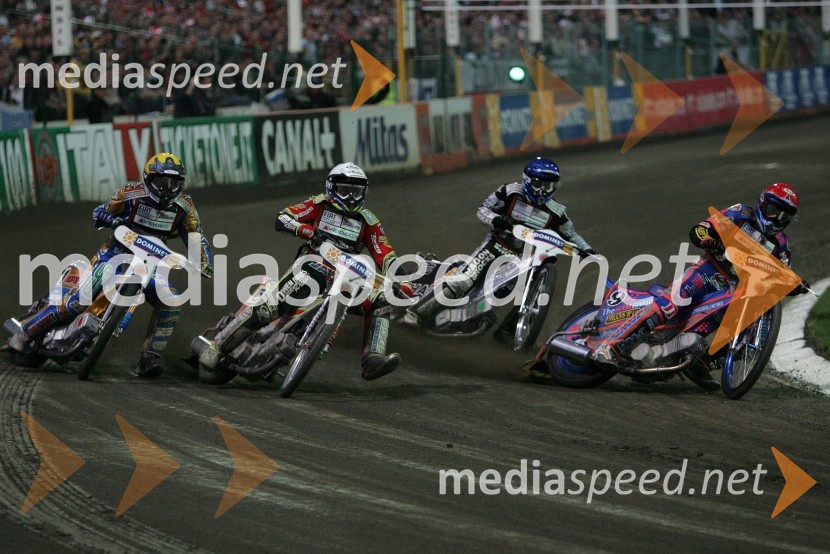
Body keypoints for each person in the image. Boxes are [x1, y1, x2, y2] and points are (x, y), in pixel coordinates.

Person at [200, 162, 414, 381]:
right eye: (344, 190)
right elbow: (283, 217)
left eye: (355, 191)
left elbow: (385, 254)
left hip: (348, 280)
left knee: (381, 301)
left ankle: (373, 359)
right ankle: (217, 348)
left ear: (364, 192)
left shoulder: (369, 222)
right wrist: (306, 231)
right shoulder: (318, 205)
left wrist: (403, 282)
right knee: (267, 310)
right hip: (312, 266)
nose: (350, 197)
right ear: (332, 188)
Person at [8, 153, 214, 378]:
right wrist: (111, 219)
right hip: (113, 257)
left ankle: (148, 358)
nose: (167, 187)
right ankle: (26, 333)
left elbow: (197, 237)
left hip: (149, 266)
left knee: (172, 300)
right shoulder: (129, 193)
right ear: (148, 178)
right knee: (75, 303)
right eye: (162, 181)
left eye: (174, 182)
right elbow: (99, 212)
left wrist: (204, 262)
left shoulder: (185, 207)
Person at [625, 183, 810, 388]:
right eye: (774, 210)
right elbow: (700, 229)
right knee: (671, 303)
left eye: (784, 216)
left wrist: (796, 284)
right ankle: (624, 336)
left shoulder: (781, 244)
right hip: (707, 272)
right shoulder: (741, 213)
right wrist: (710, 241)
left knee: (756, 328)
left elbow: (783, 274)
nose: (777, 219)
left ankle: (701, 364)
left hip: (731, 292)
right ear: (763, 204)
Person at [405, 157, 596, 342]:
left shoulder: (556, 212)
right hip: (493, 247)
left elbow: (571, 234)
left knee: (501, 297)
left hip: (519, 260)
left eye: (548, 186)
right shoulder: (509, 192)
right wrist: (496, 219)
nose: (541, 190)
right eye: (538, 184)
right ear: (528, 180)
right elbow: (483, 209)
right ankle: (415, 314)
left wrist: (587, 249)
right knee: (463, 281)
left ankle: (495, 330)